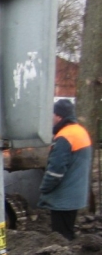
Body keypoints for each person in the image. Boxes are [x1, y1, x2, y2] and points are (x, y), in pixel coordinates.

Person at [39, 98, 92, 240]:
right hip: (75, 195)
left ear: (59, 116)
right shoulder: (80, 131)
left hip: (63, 197)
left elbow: (55, 171)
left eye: (52, 114)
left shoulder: (64, 136)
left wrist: (44, 188)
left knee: (60, 237)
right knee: (68, 233)